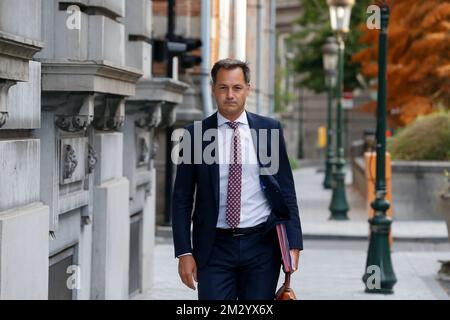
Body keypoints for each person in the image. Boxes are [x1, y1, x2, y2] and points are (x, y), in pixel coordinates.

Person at [171, 58, 303, 300]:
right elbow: (181, 198)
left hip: (262, 246)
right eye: (223, 87)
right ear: (213, 89)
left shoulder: (268, 131)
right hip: (213, 248)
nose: (230, 94)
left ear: (247, 90)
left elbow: (286, 192)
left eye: (237, 87)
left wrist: (294, 243)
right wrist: (184, 252)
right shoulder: (195, 135)